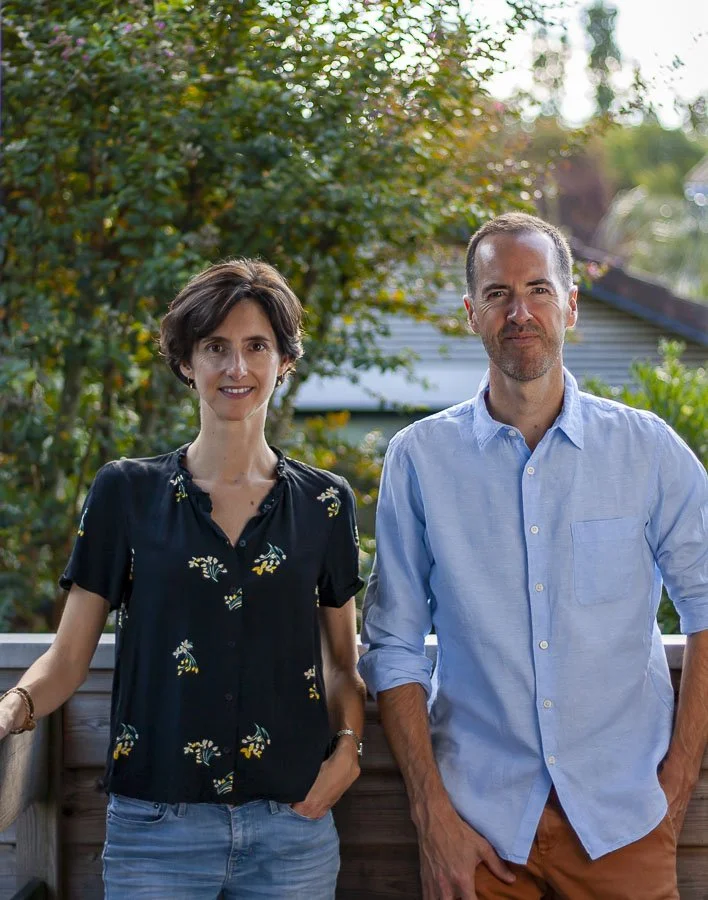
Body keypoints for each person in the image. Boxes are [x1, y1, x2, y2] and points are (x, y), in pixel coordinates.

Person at [358, 212, 708, 900]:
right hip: (478, 832)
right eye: (498, 294)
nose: (520, 312)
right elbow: (393, 644)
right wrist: (433, 818)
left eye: (539, 290)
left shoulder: (647, 451)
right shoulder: (419, 460)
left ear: (570, 305)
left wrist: (677, 783)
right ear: (471, 313)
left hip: (623, 824)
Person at [0, 258, 366, 899]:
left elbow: (342, 663)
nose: (236, 367)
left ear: (285, 361)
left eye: (257, 346)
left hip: (292, 826)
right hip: (155, 830)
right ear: (186, 362)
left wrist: (347, 752)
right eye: (215, 347)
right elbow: (68, 658)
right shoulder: (124, 492)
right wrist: (13, 707)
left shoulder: (326, 503)